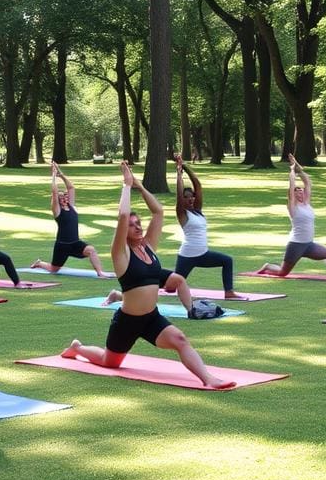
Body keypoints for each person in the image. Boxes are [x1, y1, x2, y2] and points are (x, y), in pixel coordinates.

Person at [62, 161, 235, 389]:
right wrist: (126, 186)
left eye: (139, 223)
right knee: (109, 361)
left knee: (181, 340)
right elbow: (122, 216)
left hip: (151, 318)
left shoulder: (148, 247)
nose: (137, 226)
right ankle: (77, 348)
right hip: (127, 322)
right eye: (133, 225)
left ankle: (208, 379)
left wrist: (140, 186)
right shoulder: (120, 254)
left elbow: (158, 211)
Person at [255, 154, 326, 280]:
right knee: (283, 273)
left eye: (301, 190)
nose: (300, 191)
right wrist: (292, 171)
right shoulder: (293, 207)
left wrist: (297, 166)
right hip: (296, 244)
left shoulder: (307, 204)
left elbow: (307, 181)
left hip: (309, 245)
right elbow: (291, 190)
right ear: (294, 195)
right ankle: (268, 266)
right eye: (297, 191)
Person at [172, 154, 242, 298]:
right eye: (187, 197)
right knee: (171, 287)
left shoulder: (197, 211)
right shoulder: (182, 214)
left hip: (203, 254)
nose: (190, 199)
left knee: (227, 260)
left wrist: (184, 165)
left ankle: (228, 292)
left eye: (192, 196)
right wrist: (178, 174)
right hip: (187, 256)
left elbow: (197, 184)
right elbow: (178, 195)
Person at [31, 161, 109, 277]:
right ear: (58, 199)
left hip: (75, 243)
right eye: (61, 197)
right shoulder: (57, 211)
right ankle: (39, 263)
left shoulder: (72, 207)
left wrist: (60, 174)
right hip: (62, 245)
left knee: (91, 250)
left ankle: (100, 273)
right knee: (54, 269)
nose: (64, 198)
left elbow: (71, 187)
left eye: (65, 196)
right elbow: (54, 192)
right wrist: (53, 175)